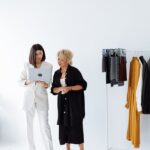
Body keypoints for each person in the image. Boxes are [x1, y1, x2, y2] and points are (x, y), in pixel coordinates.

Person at [19, 44, 53, 150]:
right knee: (28, 126)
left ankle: (49, 148)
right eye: (36, 53)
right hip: (28, 98)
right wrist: (29, 80)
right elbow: (20, 81)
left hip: (42, 98)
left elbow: (49, 83)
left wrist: (44, 83)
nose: (39, 56)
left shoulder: (48, 66)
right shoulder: (26, 65)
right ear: (32, 54)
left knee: (44, 125)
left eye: (40, 53)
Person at [51, 49, 87, 150]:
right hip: (62, 104)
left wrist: (69, 88)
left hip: (74, 104)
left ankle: (82, 148)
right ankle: (68, 148)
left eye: (61, 59)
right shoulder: (57, 73)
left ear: (67, 60)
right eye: (58, 59)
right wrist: (59, 89)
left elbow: (83, 85)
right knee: (65, 126)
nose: (59, 61)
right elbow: (53, 89)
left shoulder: (74, 71)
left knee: (76, 128)